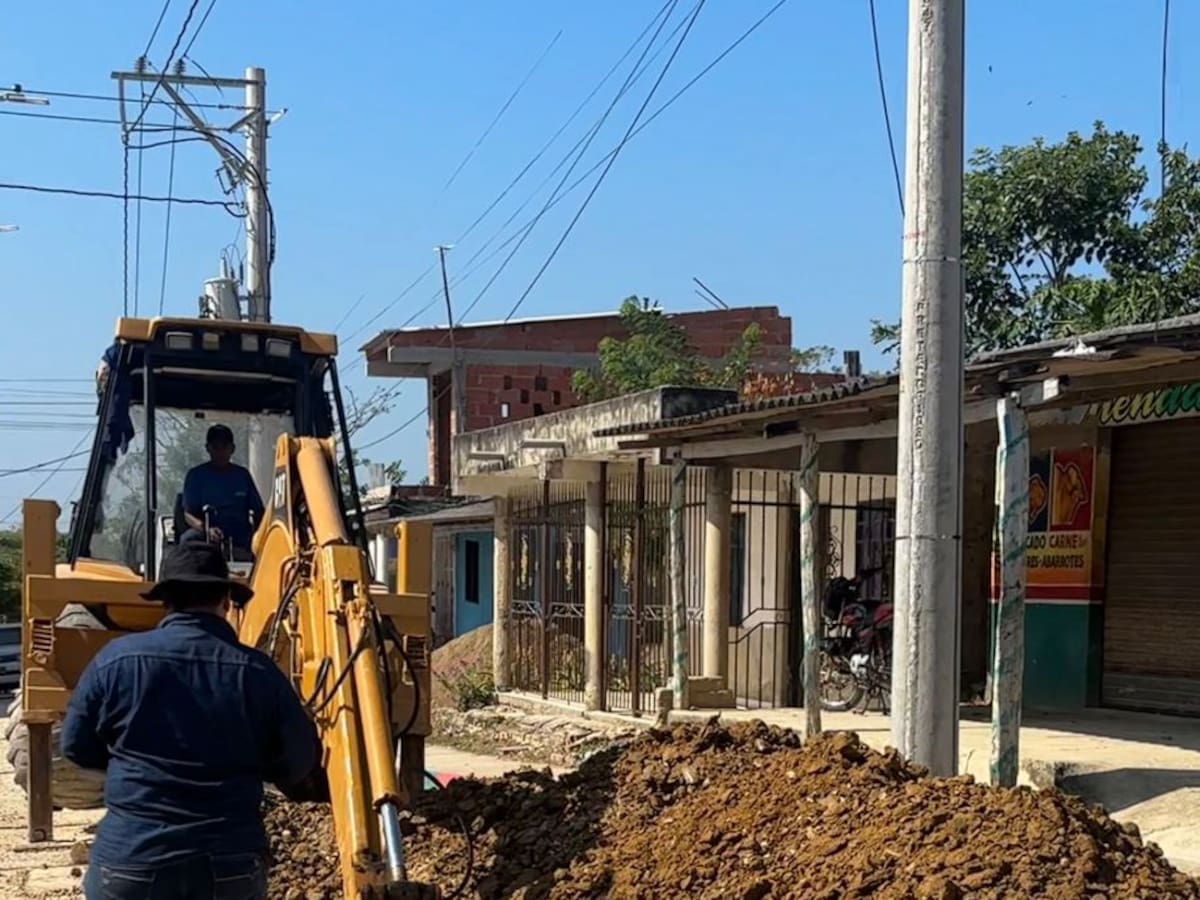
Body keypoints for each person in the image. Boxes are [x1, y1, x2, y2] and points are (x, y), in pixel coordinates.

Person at [62, 541, 321, 900]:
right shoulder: (259, 673)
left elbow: (74, 745)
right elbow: (298, 763)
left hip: (130, 862)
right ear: (227, 601)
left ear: (165, 600)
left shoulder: (115, 661)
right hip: (229, 865)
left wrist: (131, 762)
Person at [183, 424, 265, 554]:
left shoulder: (242, 475)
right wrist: (206, 530)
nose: (220, 452)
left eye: (225, 447)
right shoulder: (196, 476)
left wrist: (259, 536)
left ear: (232, 449)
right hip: (207, 535)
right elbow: (188, 514)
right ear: (208, 448)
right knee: (187, 540)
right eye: (216, 447)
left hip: (240, 535)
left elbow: (258, 511)